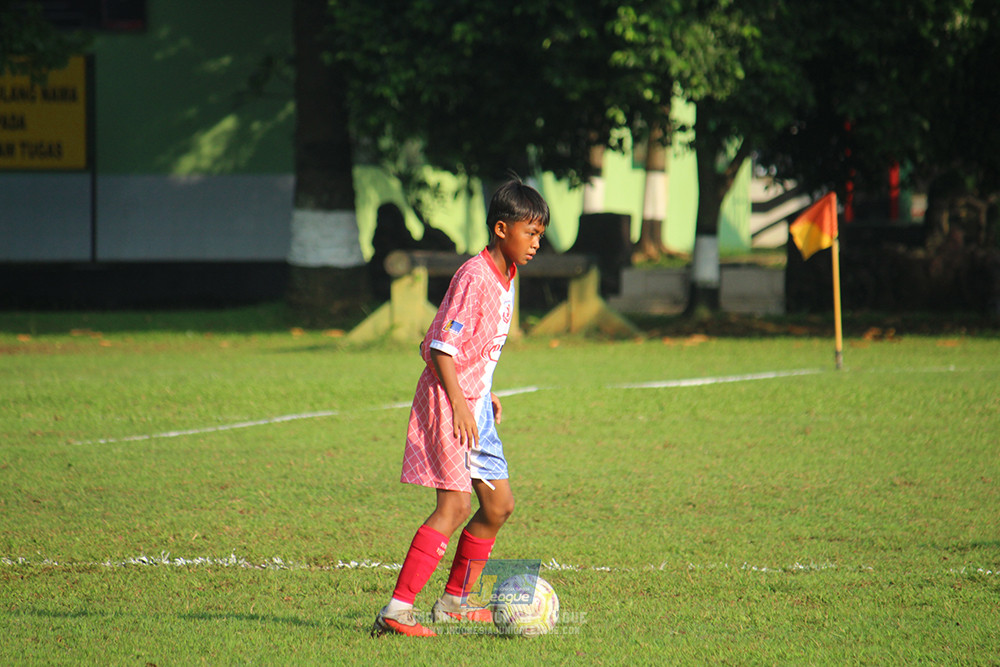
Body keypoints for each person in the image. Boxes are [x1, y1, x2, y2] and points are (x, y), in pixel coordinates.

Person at [371, 178, 549, 637]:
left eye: (540, 235)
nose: (536, 243)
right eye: (530, 233)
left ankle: (453, 603)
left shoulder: (507, 274)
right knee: (453, 505)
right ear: (500, 228)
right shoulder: (475, 277)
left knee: (499, 506)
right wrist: (459, 402)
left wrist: (482, 390)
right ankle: (396, 610)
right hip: (451, 404)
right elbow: (439, 348)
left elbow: (472, 347)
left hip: (474, 404)